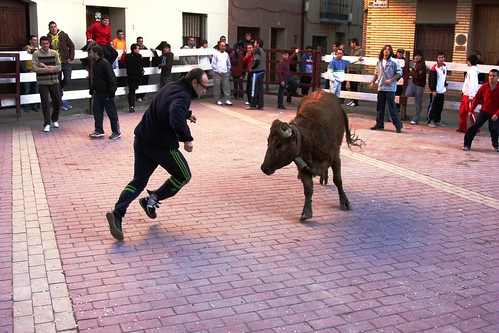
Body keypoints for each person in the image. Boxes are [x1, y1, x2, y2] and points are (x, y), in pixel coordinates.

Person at [105, 68, 209, 241]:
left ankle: (117, 214)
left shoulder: (172, 86)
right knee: (184, 175)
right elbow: (175, 114)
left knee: (138, 181)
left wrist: (188, 114)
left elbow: (167, 105)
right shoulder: (183, 96)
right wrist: (186, 139)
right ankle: (151, 200)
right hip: (161, 145)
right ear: (194, 83)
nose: (204, 91)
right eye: (203, 87)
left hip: (142, 139)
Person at [88, 45, 120, 140]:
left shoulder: (105, 64)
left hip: (107, 93)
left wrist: (111, 92)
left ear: (96, 53)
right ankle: (99, 130)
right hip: (98, 92)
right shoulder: (95, 64)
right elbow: (96, 79)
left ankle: (116, 131)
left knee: (111, 113)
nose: (90, 54)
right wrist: (92, 88)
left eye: (91, 52)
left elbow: (112, 79)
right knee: (97, 111)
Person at [369, 45, 403, 133]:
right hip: (381, 87)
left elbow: (399, 73)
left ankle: (398, 125)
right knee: (380, 106)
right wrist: (372, 82)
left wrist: (391, 80)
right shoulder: (379, 62)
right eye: (385, 49)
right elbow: (376, 73)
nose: (386, 51)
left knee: (392, 107)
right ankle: (379, 124)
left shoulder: (394, 62)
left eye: (388, 49)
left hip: (390, 88)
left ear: (391, 52)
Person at [463, 69, 499, 152]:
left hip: (495, 113)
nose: (491, 78)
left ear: (497, 77)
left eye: (494, 76)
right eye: (490, 76)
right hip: (485, 111)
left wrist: (497, 114)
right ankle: (466, 144)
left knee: (494, 129)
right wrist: (471, 110)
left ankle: (496, 145)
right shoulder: (484, 87)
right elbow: (476, 99)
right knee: (475, 126)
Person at [31, 36, 62, 132]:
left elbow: (59, 67)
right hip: (42, 82)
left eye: (47, 43)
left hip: (54, 81)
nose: (45, 45)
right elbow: (35, 68)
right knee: (45, 103)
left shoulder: (54, 53)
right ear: (40, 44)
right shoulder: (36, 54)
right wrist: (50, 69)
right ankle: (47, 123)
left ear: (49, 43)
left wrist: (46, 67)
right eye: (43, 43)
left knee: (58, 102)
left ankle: (54, 119)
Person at [47, 21, 75, 111]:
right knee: (57, 82)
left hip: (65, 61)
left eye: (55, 26)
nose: (53, 28)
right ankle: (60, 103)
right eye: (51, 27)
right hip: (55, 63)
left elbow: (71, 46)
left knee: (67, 79)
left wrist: (71, 57)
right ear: (49, 28)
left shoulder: (63, 35)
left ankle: (60, 91)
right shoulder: (47, 38)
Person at [457, 55, 480, 132]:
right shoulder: (470, 70)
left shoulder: (473, 71)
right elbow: (467, 82)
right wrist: (463, 91)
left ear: (470, 61)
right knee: (462, 111)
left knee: (470, 112)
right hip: (466, 94)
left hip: (469, 95)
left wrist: (471, 95)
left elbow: (473, 84)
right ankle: (462, 127)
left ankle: (476, 127)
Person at [427, 51, 448, 127]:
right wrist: (433, 90)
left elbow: (444, 77)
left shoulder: (445, 67)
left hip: (441, 91)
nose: (441, 59)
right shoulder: (434, 68)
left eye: (442, 57)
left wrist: (445, 85)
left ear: (444, 58)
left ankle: (437, 120)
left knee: (439, 107)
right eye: (439, 57)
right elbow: (431, 80)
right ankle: (430, 120)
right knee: (433, 106)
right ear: (437, 58)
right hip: (435, 91)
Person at [406, 50, 427, 125]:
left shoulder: (421, 65)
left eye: (418, 56)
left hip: (419, 85)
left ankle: (416, 118)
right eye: (416, 55)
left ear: (421, 57)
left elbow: (419, 76)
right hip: (413, 83)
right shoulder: (413, 63)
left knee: (418, 102)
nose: (417, 57)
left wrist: (411, 73)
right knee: (407, 93)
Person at [20, 35, 39, 113]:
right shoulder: (25, 48)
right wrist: (25, 71)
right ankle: (26, 106)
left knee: (35, 88)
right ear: (30, 41)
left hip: (35, 71)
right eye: (34, 40)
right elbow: (22, 61)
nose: (35, 42)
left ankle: (34, 105)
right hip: (28, 71)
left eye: (36, 40)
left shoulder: (38, 50)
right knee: (27, 89)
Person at [125, 43, 144, 113]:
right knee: (133, 90)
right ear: (134, 49)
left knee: (131, 91)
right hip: (136, 76)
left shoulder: (127, 56)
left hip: (130, 75)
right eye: (138, 48)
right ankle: (132, 105)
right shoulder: (139, 56)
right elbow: (139, 66)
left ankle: (131, 105)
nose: (139, 50)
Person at [211, 41, 232, 105]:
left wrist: (227, 70)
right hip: (217, 73)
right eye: (222, 46)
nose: (223, 47)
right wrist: (219, 71)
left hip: (225, 73)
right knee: (217, 87)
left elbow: (228, 63)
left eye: (224, 46)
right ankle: (217, 100)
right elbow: (213, 64)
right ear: (219, 46)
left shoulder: (226, 54)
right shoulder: (216, 54)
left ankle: (227, 99)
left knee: (226, 87)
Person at [247, 38, 266, 110]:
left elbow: (257, 61)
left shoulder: (258, 51)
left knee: (254, 89)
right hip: (262, 72)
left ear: (258, 44)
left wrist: (251, 68)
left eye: (255, 43)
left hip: (257, 72)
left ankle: (253, 104)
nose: (254, 44)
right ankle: (260, 104)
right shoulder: (263, 51)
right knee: (260, 89)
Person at [347, 38, 365, 107]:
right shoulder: (352, 51)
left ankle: (355, 101)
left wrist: (358, 70)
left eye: (351, 43)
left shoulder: (361, 51)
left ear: (354, 43)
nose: (351, 45)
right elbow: (350, 59)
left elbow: (362, 61)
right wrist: (348, 68)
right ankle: (352, 99)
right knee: (351, 86)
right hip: (351, 69)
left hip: (356, 70)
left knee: (355, 85)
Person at [135, 36, 150, 102]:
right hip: (138, 67)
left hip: (145, 67)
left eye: (142, 41)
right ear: (137, 42)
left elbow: (148, 58)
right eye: (139, 41)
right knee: (139, 82)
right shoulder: (135, 49)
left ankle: (143, 95)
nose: (141, 42)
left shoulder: (145, 48)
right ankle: (138, 96)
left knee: (145, 81)